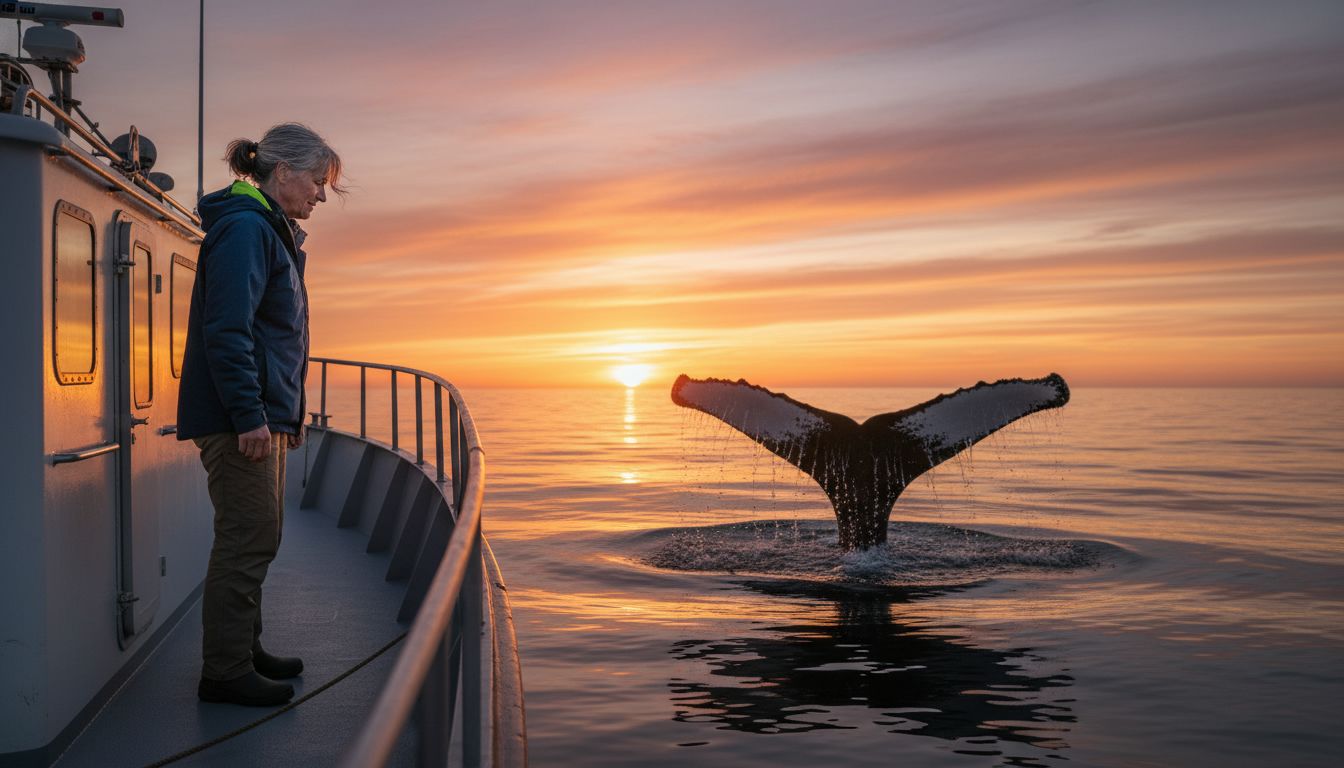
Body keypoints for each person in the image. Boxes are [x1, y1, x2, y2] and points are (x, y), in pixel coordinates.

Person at [177, 123, 344, 707]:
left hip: (262, 417)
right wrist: (251, 415)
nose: (320, 195)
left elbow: (276, 336)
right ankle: (224, 672)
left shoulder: (267, 230)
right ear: (284, 172)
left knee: (261, 535)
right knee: (247, 538)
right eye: (318, 182)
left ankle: (245, 648)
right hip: (239, 421)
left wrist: (284, 416)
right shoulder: (248, 230)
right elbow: (228, 331)